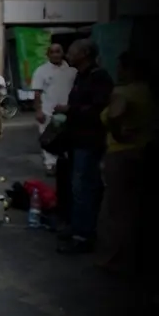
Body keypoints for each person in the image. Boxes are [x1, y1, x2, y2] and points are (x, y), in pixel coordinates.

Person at [55, 38, 114, 254]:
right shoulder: (81, 76)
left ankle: (84, 235)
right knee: (76, 185)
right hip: (76, 140)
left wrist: (70, 110)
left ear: (85, 54)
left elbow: (99, 110)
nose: (67, 55)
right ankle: (78, 226)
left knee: (84, 186)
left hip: (89, 142)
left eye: (71, 51)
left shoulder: (99, 78)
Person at [96, 51, 153, 272]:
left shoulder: (122, 92)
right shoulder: (149, 91)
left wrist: (116, 132)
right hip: (144, 151)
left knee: (117, 209)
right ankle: (137, 255)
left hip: (121, 154)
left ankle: (116, 259)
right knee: (138, 206)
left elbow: (115, 115)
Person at [31, 44, 77, 174]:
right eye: (52, 52)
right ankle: (50, 164)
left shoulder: (72, 71)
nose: (55, 55)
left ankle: (66, 164)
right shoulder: (41, 71)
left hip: (68, 111)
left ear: (63, 53)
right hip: (48, 112)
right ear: (48, 54)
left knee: (67, 138)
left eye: (58, 51)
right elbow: (37, 93)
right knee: (48, 139)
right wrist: (38, 111)